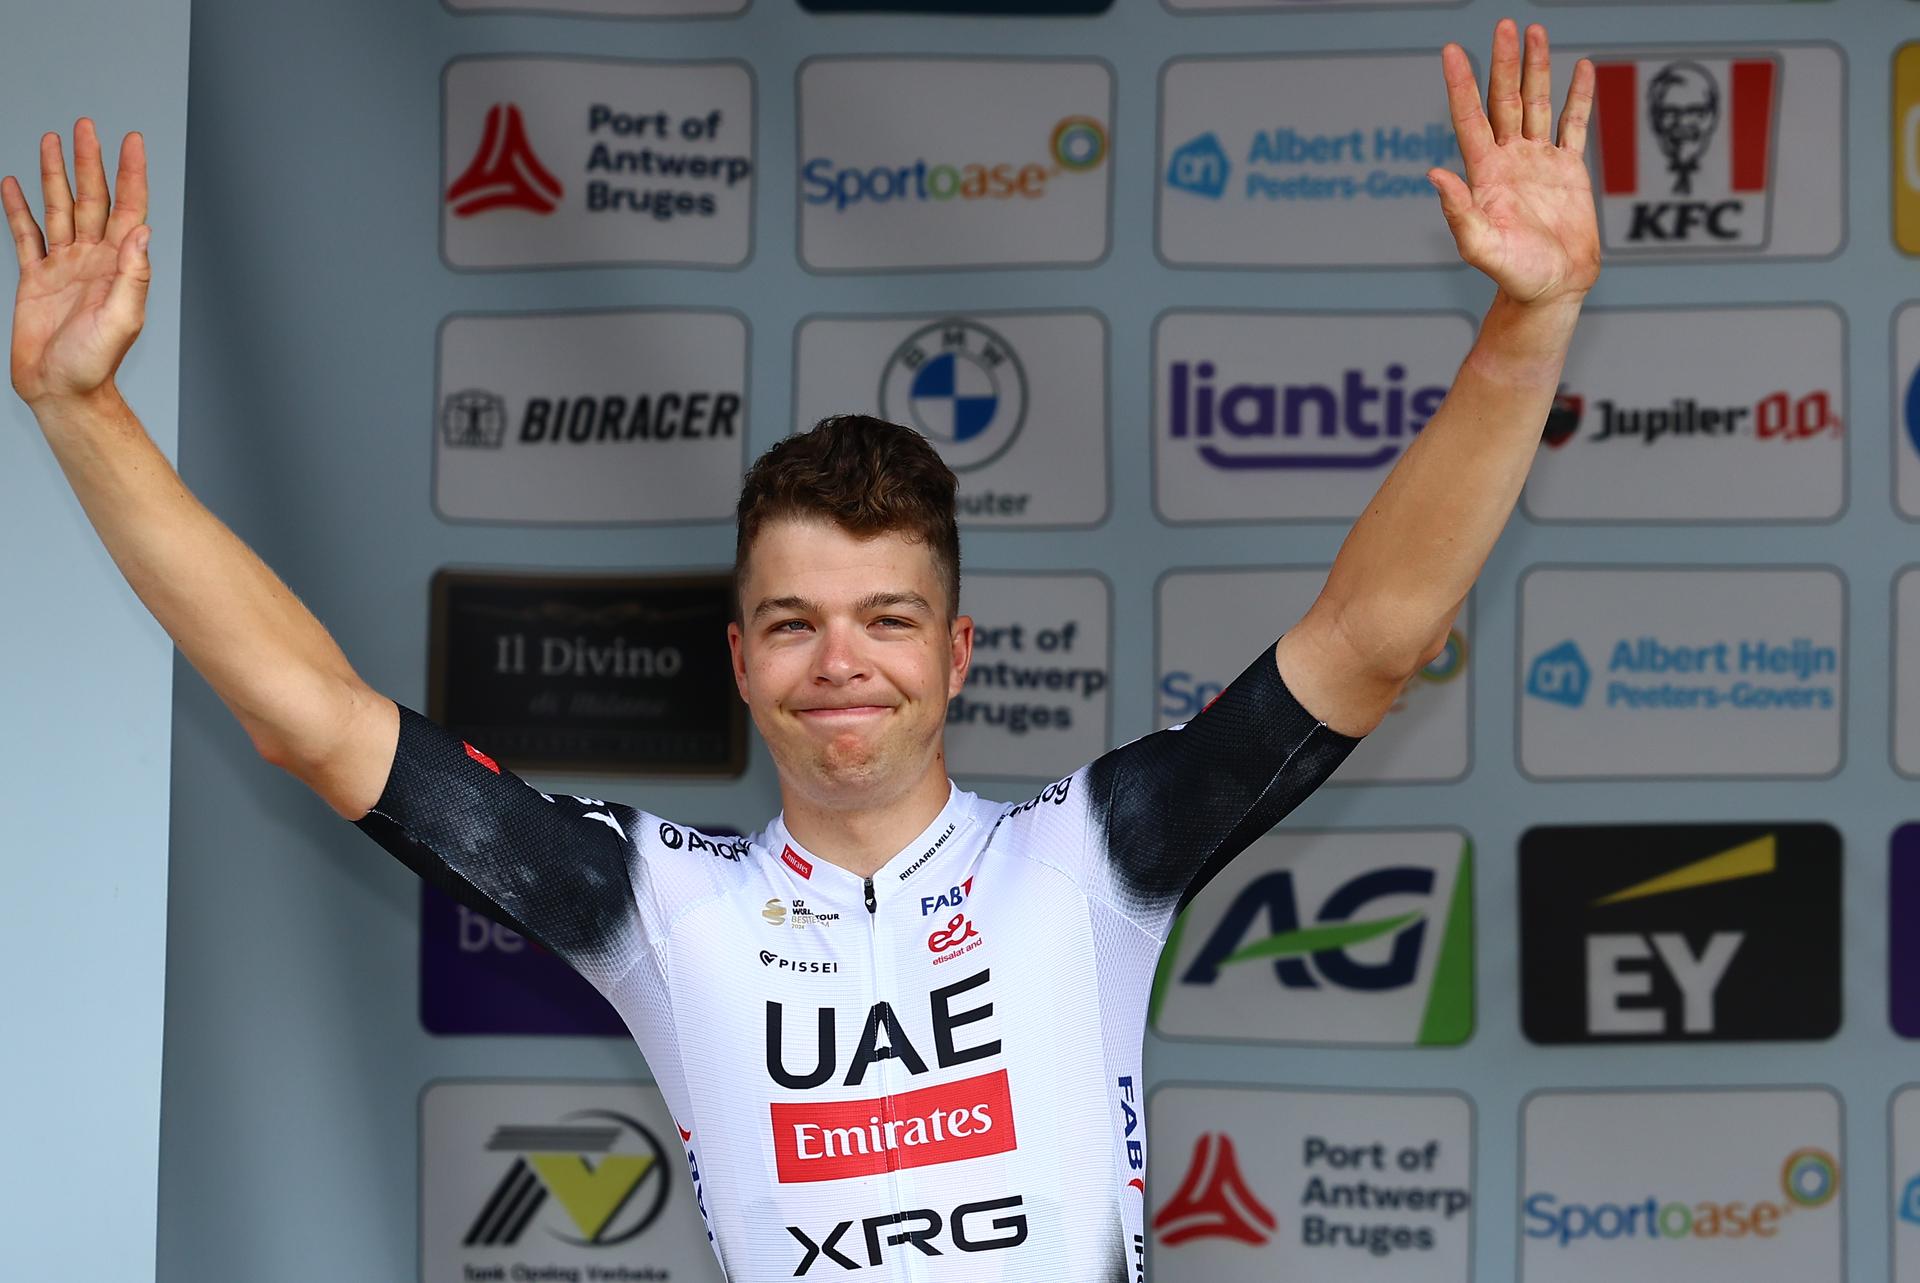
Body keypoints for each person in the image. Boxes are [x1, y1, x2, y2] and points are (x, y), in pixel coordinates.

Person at [6, 19, 1597, 1281]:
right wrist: (84, 415)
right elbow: (310, 719)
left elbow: (1370, 642)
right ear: (743, 657)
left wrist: (1526, 331)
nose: (844, 661)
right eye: (794, 622)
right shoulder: (655, 899)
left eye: (888, 619)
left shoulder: (1094, 854)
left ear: (959, 652)